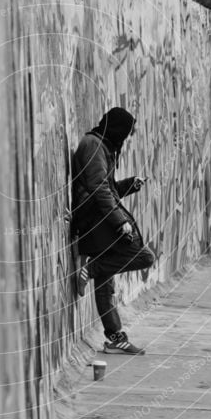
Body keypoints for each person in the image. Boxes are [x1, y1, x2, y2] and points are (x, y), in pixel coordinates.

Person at [71, 107, 155, 354]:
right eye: (125, 133)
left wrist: (130, 185)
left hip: (96, 219)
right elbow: (99, 189)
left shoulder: (102, 146)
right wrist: (120, 222)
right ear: (117, 129)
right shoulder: (95, 146)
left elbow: (105, 188)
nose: (125, 138)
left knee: (106, 284)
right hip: (94, 221)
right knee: (144, 256)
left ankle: (115, 337)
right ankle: (92, 269)